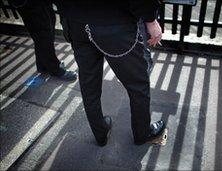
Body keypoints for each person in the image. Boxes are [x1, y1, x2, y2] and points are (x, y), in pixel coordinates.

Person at [56, 0, 166, 146]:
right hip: (115, 23)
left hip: (76, 22)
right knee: (138, 84)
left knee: (89, 85)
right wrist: (151, 20)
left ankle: (100, 133)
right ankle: (142, 133)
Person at [9, 0, 77, 81]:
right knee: (43, 34)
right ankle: (55, 69)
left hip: (42, 3)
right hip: (30, 3)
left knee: (48, 28)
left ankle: (43, 66)